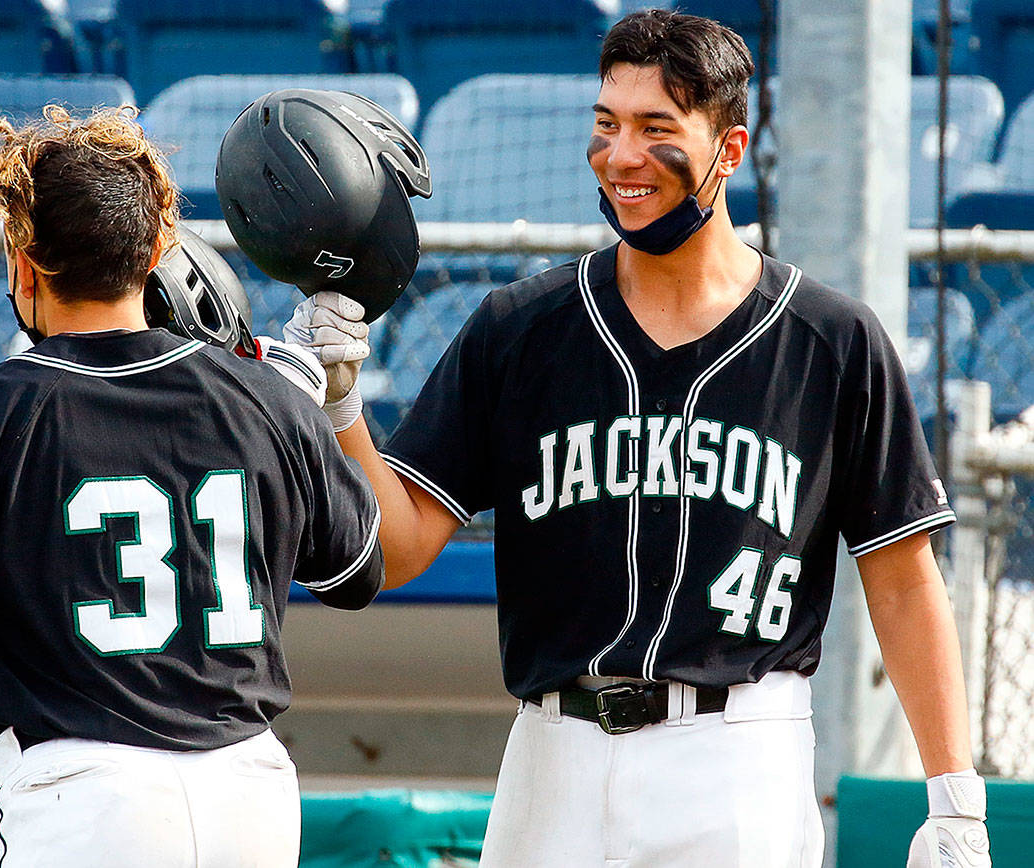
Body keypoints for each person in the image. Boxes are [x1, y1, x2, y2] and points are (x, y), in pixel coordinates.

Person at [282, 11, 990, 868]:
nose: (621, 155)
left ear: (728, 150)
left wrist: (956, 799)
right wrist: (344, 409)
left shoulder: (831, 339)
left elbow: (906, 581)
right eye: (606, 124)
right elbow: (393, 550)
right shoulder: (519, 328)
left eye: (657, 129)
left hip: (739, 753)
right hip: (554, 754)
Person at [0, 104, 384, 868]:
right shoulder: (268, 397)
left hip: (83, 796)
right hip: (252, 794)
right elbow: (355, 573)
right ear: (155, 250)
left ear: (23, 260)